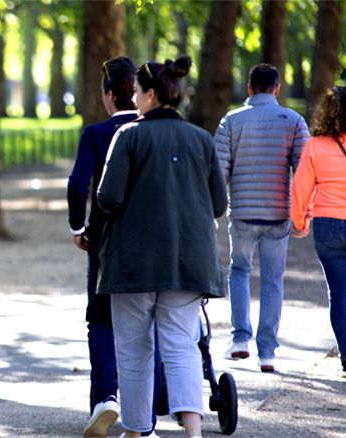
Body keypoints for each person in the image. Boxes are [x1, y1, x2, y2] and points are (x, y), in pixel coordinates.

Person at [97, 55, 227, 438]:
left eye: (137, 92)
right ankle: (192, 432)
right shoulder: (202, 139)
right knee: (182, 347)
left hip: (133, 261)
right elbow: (218, 204)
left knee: (135, 350)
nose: (133, 99)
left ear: (151, 94)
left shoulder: (129, 137)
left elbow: (108, 197)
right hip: (188, 261)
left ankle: (137, 431)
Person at [67, 56, 160, 438]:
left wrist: (79, 227)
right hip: (152, 238)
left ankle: (105, 398)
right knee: (151, 322)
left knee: (102, 319)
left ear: (109, 94)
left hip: (105, 239)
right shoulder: (153, 130)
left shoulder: (97, 133)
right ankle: (147, 412)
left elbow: (77, 184)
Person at [214, 63, 310, 372]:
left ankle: (240, 338)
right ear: (278, 89)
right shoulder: (293, 121)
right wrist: (302, 215)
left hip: (242, 211)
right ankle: (267, 351)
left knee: (239, 271)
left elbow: (219, 170)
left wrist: (216, 207)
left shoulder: (231, 120)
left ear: (249, 88)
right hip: (277, 214)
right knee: (272, 280)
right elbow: (305, 172)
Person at [290, 86, 346, 378]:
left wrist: (299, 222)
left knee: (339, 292)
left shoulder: (316, 145)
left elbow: (300, 189)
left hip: (327, 225)